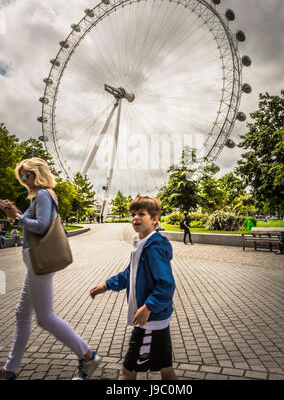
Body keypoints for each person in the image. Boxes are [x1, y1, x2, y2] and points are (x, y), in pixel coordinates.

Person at [0, 157, 100, 381]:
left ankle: (87, 354)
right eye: (22, 176)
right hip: (34, 262)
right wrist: (15, 211)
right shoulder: (37, 197)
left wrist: (16, 217)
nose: (24, 180)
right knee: (22, 313)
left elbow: (42, 226)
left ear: (39, 173)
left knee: (45, 318)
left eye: (28, 175)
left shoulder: (44, 194)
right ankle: (9, 370)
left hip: (40, 263)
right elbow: (30, 223)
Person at [90, 196, 177, 380]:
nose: (135, 218)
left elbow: (166, 284)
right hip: (154, 318)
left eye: (141, 214)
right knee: (166, 368)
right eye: (132, 214)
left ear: (154, 219)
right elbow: (130, 274)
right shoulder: (141, 243)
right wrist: (106, 286)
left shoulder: (154, 247)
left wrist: (148, 307)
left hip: (150, 319)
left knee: (129, 368)